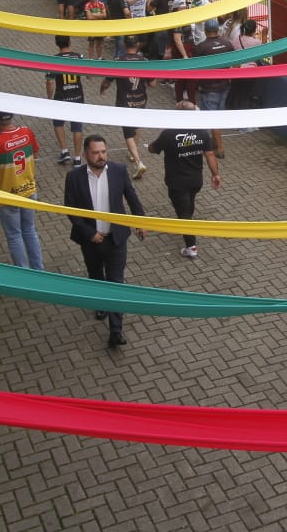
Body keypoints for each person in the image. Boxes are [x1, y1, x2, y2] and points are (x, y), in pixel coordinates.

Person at [63, 134, 146, 347]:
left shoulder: (118, 171)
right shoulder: (74, 177)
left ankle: (116, 331)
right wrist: (89, 232)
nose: (101, 156)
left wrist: (140, 221)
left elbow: (131, 196)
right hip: (91, 240)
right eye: (96, 152)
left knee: (116, 283)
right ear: (86, 154)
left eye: (103, 152)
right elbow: (71, 210)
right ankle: (100, 304)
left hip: (116, 239)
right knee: (96, 276)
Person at [147, 103, 221, 259]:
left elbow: (153, 149)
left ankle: (191, 246)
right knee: (189, 203)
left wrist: (151, 146)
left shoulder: (168, 134)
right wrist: (216, 174)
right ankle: (188, 222)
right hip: (195, 181)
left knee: (183, 212)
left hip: (177, 182)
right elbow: (210, 155)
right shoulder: (202, 133)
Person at [0, 110, 45, 271]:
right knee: (30, 230)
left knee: (14, 235)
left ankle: (22, 273)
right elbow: (35, 152)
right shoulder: (27, 132)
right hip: (29, 190)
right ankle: (38, 269)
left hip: (7, 195)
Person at [99, 34, 151, 180]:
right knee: (136, 126)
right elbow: (152, 84)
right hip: (141, 100)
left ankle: (139, 162)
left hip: (125, 102)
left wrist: (103, 88)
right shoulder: (144, 61)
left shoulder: (118, 61)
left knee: (128, 133)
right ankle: (133, 154)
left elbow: (107, 80)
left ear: (124, 45)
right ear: (138, 44)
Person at [192, 18, 233, 158]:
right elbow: (236, 64)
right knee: (218, 115)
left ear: (205, 30)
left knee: (212, 118)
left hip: (209, 88)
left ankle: (219, 149)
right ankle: (214, 143)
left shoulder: (201, 47)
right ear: (217, 30)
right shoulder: (227, 44)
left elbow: (195, 68)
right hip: (224, 86)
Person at [46, 35, 85, 165]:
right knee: (77, 128)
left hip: (61, 96)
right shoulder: (79, 57)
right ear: (70, 41)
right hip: (77, 96)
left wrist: (49, 98)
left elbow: (50, 82)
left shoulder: (54, 60)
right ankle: (78, 158)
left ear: (57, 43)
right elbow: (90, 75)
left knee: (58, 123)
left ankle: (64, 151)